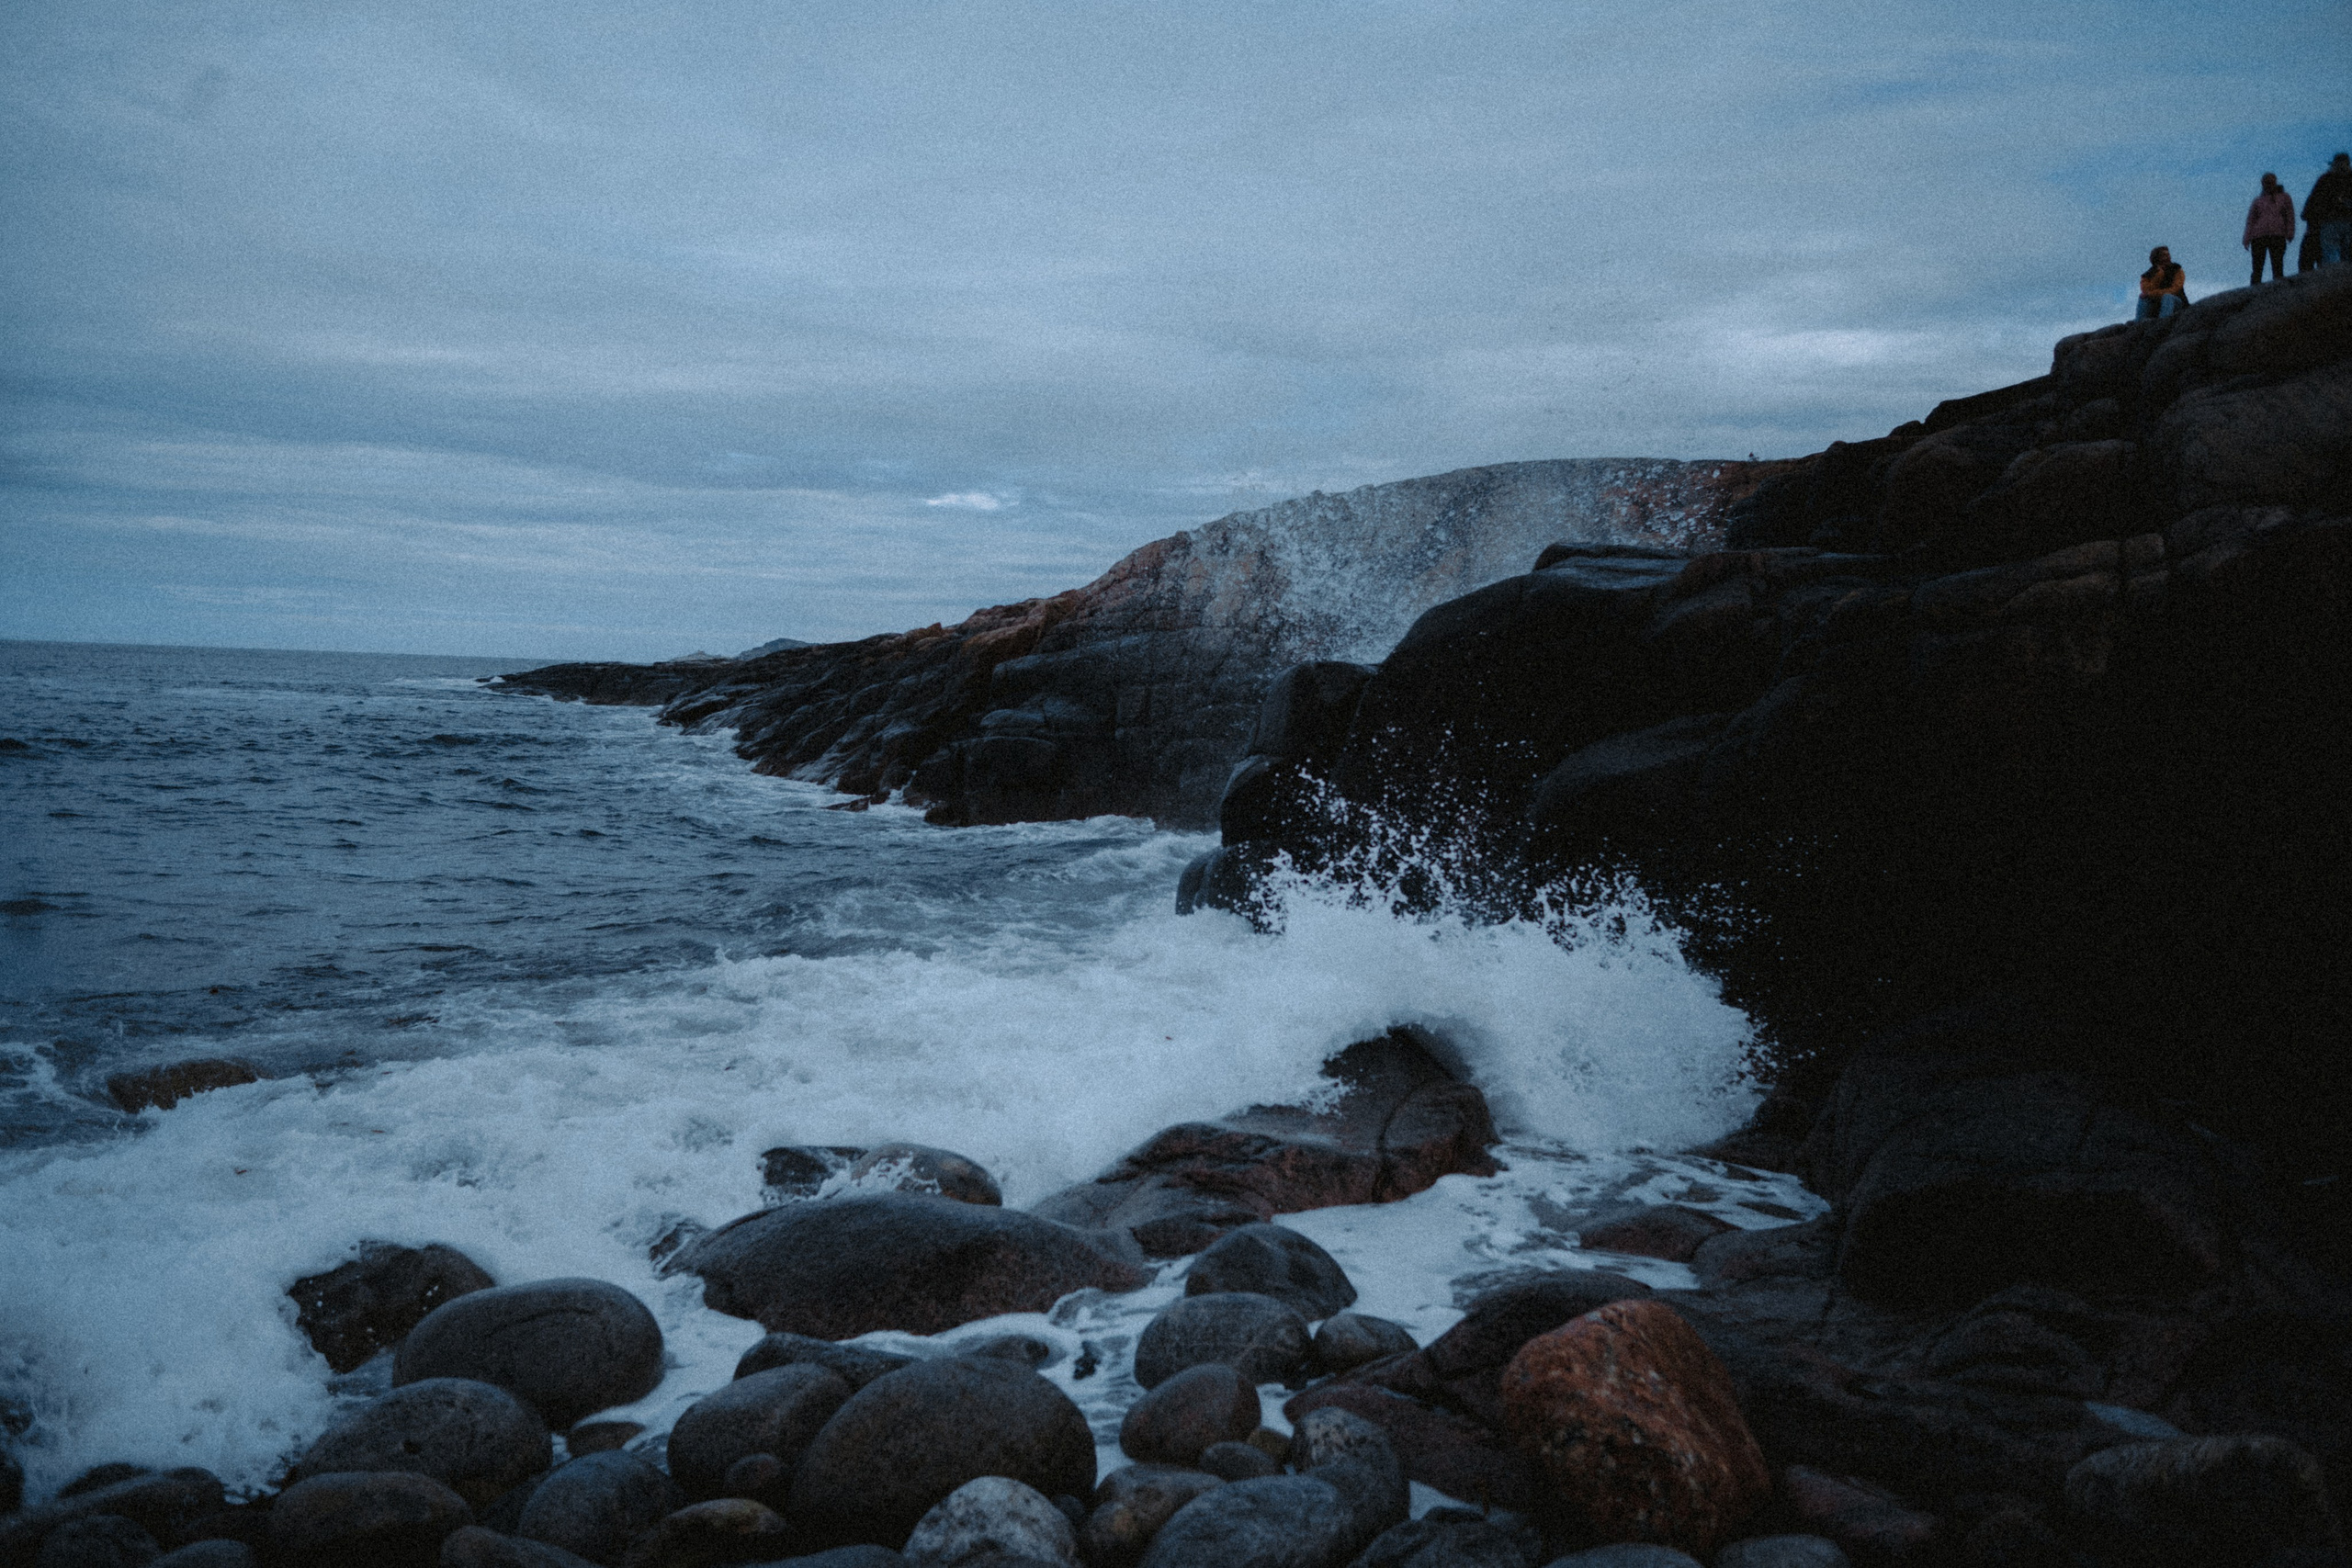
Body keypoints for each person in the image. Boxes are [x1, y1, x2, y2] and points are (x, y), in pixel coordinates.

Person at [2244, 173, 2296, 284]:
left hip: (2277, 235)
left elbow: (2289, 215)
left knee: (2277, 265)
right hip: (2259, 236)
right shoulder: (2258, 201)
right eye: (2266, 182)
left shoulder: (2284, 197)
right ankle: (2255, 290)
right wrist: (2247, 238)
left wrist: (2290, 232)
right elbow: (2251, 221)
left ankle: (2278, 290)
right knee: (2257, 267)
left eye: (2270, 182)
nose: (2268, 184)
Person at [2307, 152, 2352, 266]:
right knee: (2347, 252)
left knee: (2331, 252)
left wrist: (2309, 215)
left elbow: (2314, 200)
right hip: (2346, 220)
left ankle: (2334, 279)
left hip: (2330, 221)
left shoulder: (2325, 179)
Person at [2136, 246, 2188, 319]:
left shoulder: (2177, 270)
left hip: (2176, 302)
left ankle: (2163, 323)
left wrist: (2151, 294)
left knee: (2167, 297)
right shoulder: (2148, 275)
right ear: (2157, 258)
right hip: (2156, 304)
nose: (2167, 257)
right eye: (2164, 255)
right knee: (2142, 298)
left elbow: (2175, 289)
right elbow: (2145, 290)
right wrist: (2159, 275)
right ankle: (2139, 325)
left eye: (2168, 255)